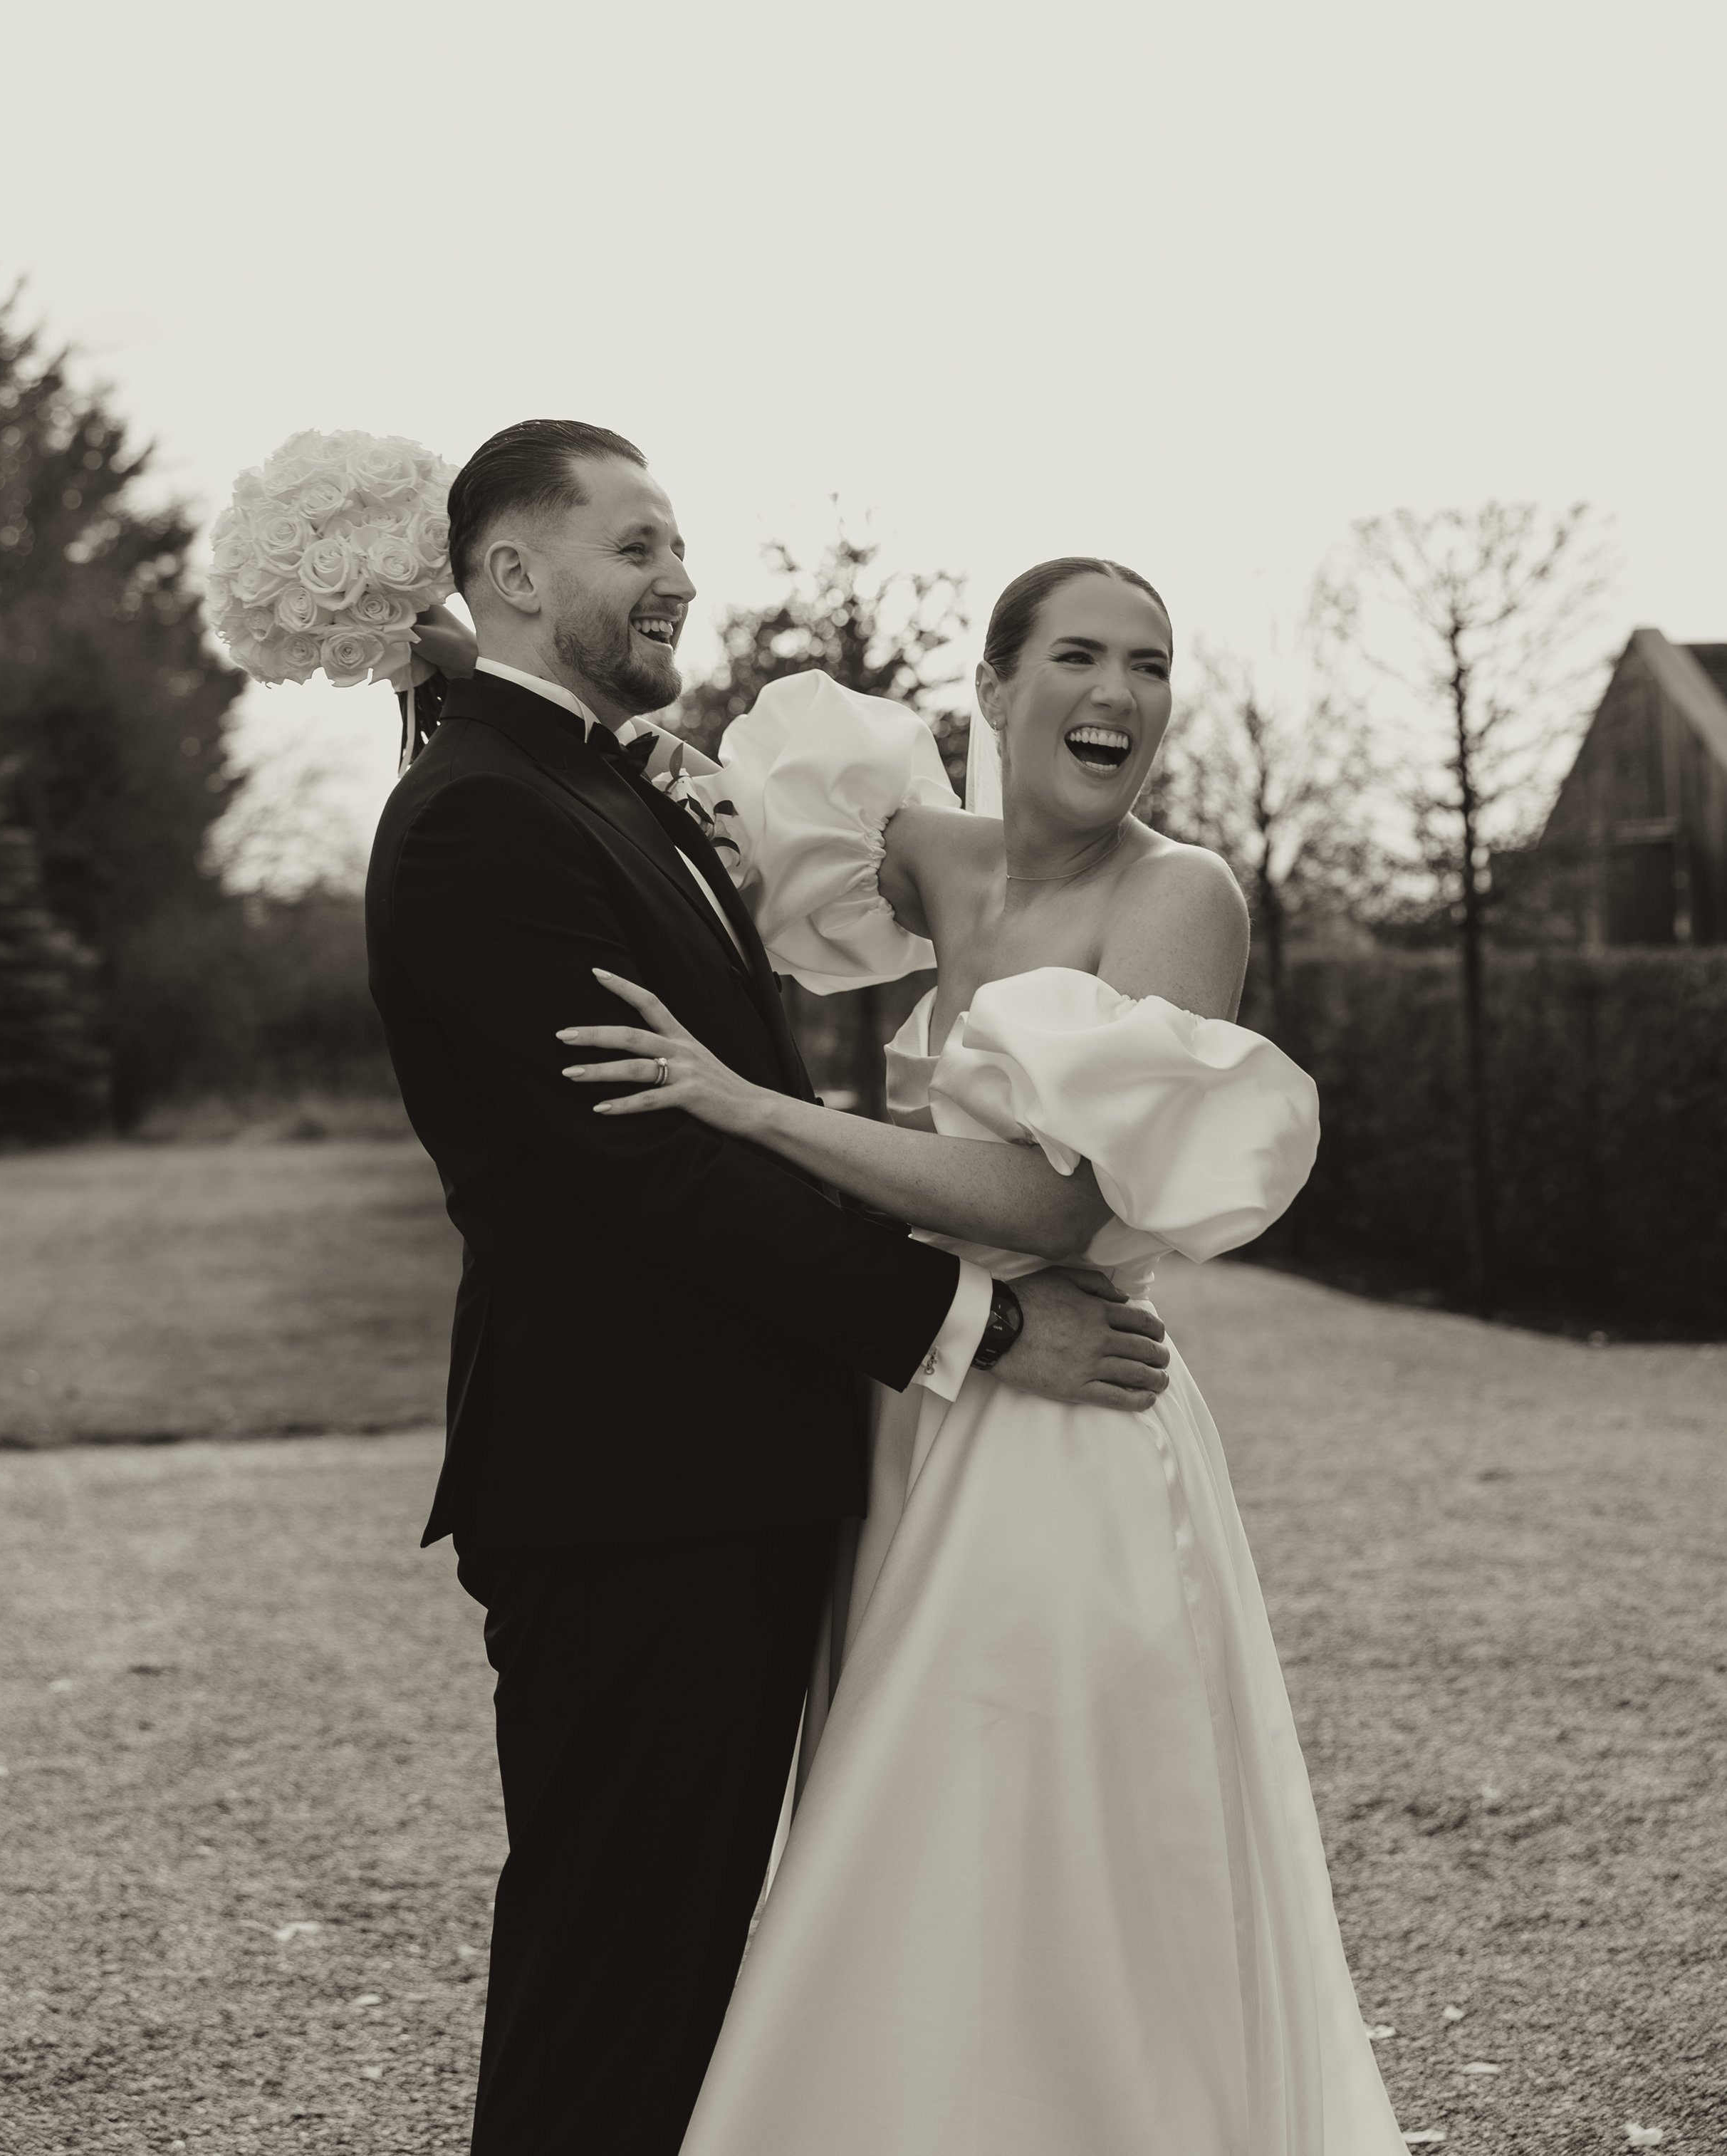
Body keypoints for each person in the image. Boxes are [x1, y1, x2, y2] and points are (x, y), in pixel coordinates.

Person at [364, 424, 1172, 2156]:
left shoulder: (594, 784)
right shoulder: (481, 822)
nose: (681, 578)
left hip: (719, 1474)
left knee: (685, 1964)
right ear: (512, 574)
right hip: (629, 1488)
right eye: (636, 544)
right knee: (615, 1968)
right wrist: (981, 1323)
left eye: (680, 545)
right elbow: (648, 1173)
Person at [551, 556, 1409, 2155]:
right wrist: (464, 659)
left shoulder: (1182, 897)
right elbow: (696, 800)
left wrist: (745, 1108)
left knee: (1023, 1817)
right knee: (906, 1816)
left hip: (1065, 1422)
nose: (1117, 694)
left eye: (1147, 665)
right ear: (992, 691)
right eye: (1076, 656)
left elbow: (1048, 1199)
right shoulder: (930, 852)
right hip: (910, 1414)